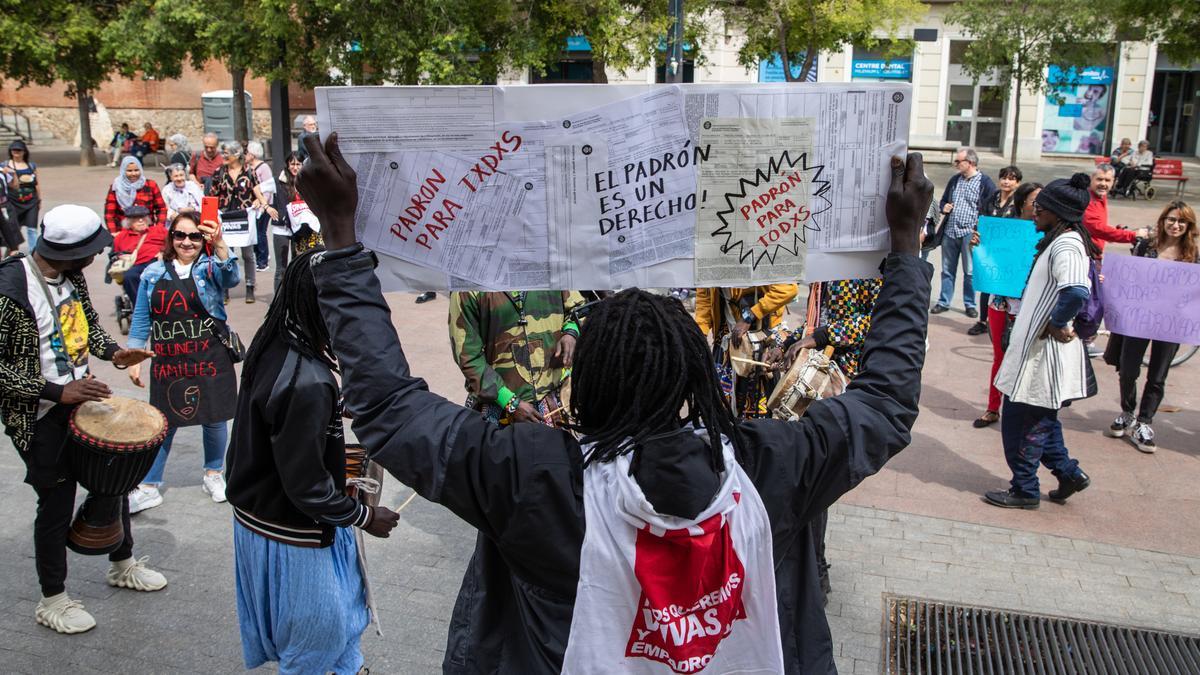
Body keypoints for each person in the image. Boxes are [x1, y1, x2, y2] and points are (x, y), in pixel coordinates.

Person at [297, 133, 934, 673]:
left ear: (587, 381)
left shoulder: (535, 479)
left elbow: (388, 409)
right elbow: (882, 405)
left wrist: (342, 240)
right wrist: (905, 251)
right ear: (693, 381)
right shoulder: (773, 467)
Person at [226, 250, 400, 674]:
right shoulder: (308, 381)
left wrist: (334, 406)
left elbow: (277, 421)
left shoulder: (277, 341)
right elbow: (307, 488)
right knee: (317, 640)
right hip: (294, 532)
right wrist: (365, 516)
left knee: (340, 629)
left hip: (263, 518)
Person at [0, 205, 162, 635]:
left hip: (80, 399)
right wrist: (57, 391)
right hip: (38, 414)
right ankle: (52, 598)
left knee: (115, 480)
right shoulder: (8, 288)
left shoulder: (70, 277)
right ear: (71, 252)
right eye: (90, 252)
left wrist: (113, 353)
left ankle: (121, 563)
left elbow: (86, 325)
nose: (95, 258)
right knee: (55, 502)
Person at [987, 173, 1099, 510]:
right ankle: (1068, 473)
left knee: (1022, 426)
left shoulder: (1066, 244)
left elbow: (1077, 291)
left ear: (1058, 213)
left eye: (1042, 207)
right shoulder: (1057, 239)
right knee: (1041, 421)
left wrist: (1056, 322)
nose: (1035, 211)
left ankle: (1024, 489)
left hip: (1042, 358)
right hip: (1034, 354)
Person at [125, 211, 241, 513]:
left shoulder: (210, 268)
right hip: (169, 359)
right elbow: (141, 318)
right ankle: (149, 485)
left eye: (193, 236)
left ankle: (214, 474)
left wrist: (219, 244)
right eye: (180, 235)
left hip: (209, 355)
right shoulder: (152, 273)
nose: (186, 242)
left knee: (214, 416)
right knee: (163, 421)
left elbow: (232, 278)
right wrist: (134, 356)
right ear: (171, 237)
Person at [1104, 201, 1198, 453]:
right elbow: (1130, 277)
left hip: (1171, 323)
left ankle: (1145, 421)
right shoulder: (1146, 246)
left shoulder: (1194, 254)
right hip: (1139, 319)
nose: (1175, 225)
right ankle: (1127, 411)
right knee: (1127, 368)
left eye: (1181, 221)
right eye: (1171, 219)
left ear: (1189, 226)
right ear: (1162, 221)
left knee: (1158, 374)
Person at [449, 290, 584, 426]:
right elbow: (468, 356)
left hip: (554, 400)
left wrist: (571, 332)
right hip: (498, 408)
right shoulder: (467, 287)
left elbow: (580, 309)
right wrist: (509, 402)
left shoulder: (551, 270)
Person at [973, 182, 1042, 429]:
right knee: (1000, 357)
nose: (1039, 206)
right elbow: (989, 257)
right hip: (1001, 304)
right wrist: (979, 246)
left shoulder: (1047, 231)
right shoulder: (1003, 227)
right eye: (1035, 200)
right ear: (1023, 202)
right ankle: (993, 408)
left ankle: (1021, 410)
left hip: (1030, 306)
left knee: (1026, 359)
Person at [695, 284, 798, 418]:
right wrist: (699, 333)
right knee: (721, 406)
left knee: (757, 411)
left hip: (759, 339)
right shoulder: (708, 264)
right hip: (726, 340)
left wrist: (750, 315)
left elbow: (788, 289)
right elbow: (705, 296)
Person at [1077, 164, 1148, 351]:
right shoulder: (1089, 200)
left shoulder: (1101, 198)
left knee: (1093, 296)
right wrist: (1131, 235)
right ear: (1091, 179)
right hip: (1087, 255)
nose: (1103, 184)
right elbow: (1096, 227)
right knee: (1094, 299)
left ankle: (1084, 336)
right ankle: (1085, 339)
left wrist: (1119, 230)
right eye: (1099, 179)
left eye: (1107, 180)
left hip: (1095, 253)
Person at [933, 147, 995, 317]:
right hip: (950, 231)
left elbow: (991, 208)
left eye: (959, 161)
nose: (956, 164)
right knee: (947, 269)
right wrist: (944, 206)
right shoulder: (955, 180)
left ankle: (970, 304)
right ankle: (943, 301)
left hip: (970, 232)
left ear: (971, 163)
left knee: (969, 271)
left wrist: (980, 229)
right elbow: (944, 200)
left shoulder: (985, 183)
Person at [211, 142, 271, 303]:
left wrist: (259, 202)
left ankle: (250, 286)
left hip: (244, 218)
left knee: (247, 254)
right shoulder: (219, 173)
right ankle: (224, 288)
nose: (223, 156)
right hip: (225, 217)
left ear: (236, 155)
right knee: (224, 254)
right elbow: (212, 195)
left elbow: (257, 191)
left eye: (226, 153)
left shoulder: (249, 172)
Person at [967, 165, 1023, 336]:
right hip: (989, 250)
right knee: (986, 285)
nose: (1006, 181)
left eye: (1011, 178)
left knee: (1005, 287)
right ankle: (983, 321)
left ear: (1018, 182)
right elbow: (981, 219)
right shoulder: (992, 198)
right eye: (1004, 177)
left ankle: (1007, 320)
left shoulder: (1019, 202)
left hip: (1009, 253)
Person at [269, 152, 314, 291]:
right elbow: (257, 189)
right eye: (292, 164)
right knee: (281, 268)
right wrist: (267, 207)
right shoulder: (279, 180)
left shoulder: (307, 180)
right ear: (288, 165)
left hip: (299, 227)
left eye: (298, 164)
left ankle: (295, 297)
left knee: (297, 264)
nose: (295, 167)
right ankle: (278, 300)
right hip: (281, 227)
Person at [109, 204, 167, 308]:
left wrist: (163, 252)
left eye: (143, 217)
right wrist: (120, 257)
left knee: (158, 274)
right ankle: (141, 307)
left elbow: (172, 244)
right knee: (129, 276)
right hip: (136, 265)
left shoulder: (159, 230)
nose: (141, 220)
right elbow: (113, 255)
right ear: (129, 222)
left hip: (157, 261)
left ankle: (161, 304)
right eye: (136, 218)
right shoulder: (121, 237)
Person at [103, 157, 167, 234]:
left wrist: (158, 228)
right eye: (129, 171)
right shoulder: (116, 187)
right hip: (124, 233)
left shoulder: (151, 185)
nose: (133, 174)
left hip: (147, 232)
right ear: (123, 171)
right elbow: (109, 214)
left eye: (136, 170)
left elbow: (162, 208)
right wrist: (114, 233)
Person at [245, 141, 278, 272]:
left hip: (264, 205)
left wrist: (264, 204)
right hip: (252, 207)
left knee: (261, 232)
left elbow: (268, 188)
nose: (245, 155)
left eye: (247, 152)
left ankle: (263, 260)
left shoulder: (263, 168)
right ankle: (259, 256)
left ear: (252, 154)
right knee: (255, 232)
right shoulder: (247, 168)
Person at [4, 140, 40, 248]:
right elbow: (8, 185)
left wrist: (39, 199)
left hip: (31, 201)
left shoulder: (31, 166)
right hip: (14, 201)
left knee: (32, 229)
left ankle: (33, 254)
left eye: (19, 150)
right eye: (14, 150)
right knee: (15, 228)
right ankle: (13, 251)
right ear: (11, 151)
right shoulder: (5, 166)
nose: (16, 152)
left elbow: (37, 184)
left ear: (24, 152)